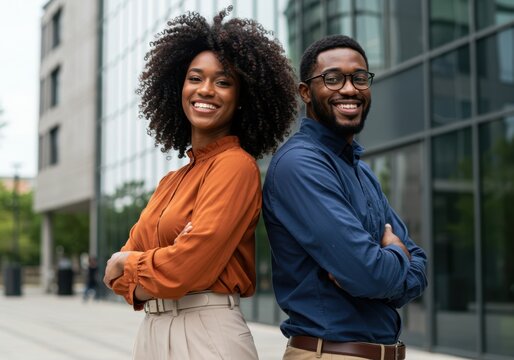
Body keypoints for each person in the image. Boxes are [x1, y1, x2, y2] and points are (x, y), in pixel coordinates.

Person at [102, 7, 297, 360]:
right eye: (195, 78)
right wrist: (150, 264)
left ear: (242, 99)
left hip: (206, 333)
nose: (206, 90)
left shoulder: (236, 167)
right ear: (178, 85)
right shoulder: (171, 181)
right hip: (151, 332)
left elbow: (187, 267)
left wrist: (127, 263)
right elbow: (117, 280)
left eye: (223, 82)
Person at [262, 34, 428, 360]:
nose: (350, 89)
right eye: (333, 79)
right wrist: (395, 255)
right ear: (306, 93)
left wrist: (388, 265)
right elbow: (368, 273)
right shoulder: (300, 165)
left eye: (359, 78)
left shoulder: (361, 171)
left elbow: (419, 264)